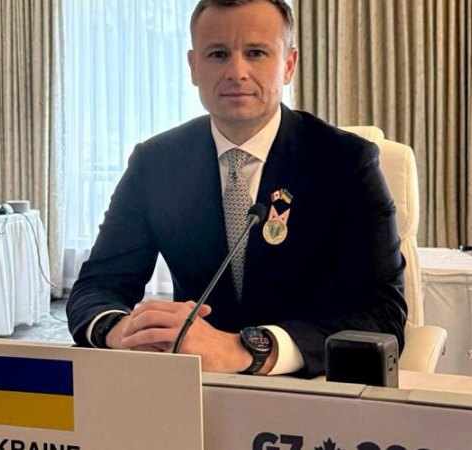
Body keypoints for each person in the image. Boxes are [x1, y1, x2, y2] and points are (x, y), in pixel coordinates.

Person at [66, 0, 407, 378]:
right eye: (218, 54)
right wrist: (120, 330)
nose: (236, 72)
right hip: (193, 382)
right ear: (194, 67)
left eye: (256, 53)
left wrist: (249, 350)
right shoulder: (155, 162)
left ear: (288, 64)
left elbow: (381, 313)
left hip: (312, 382)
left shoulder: (345, 161)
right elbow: (97, 286)